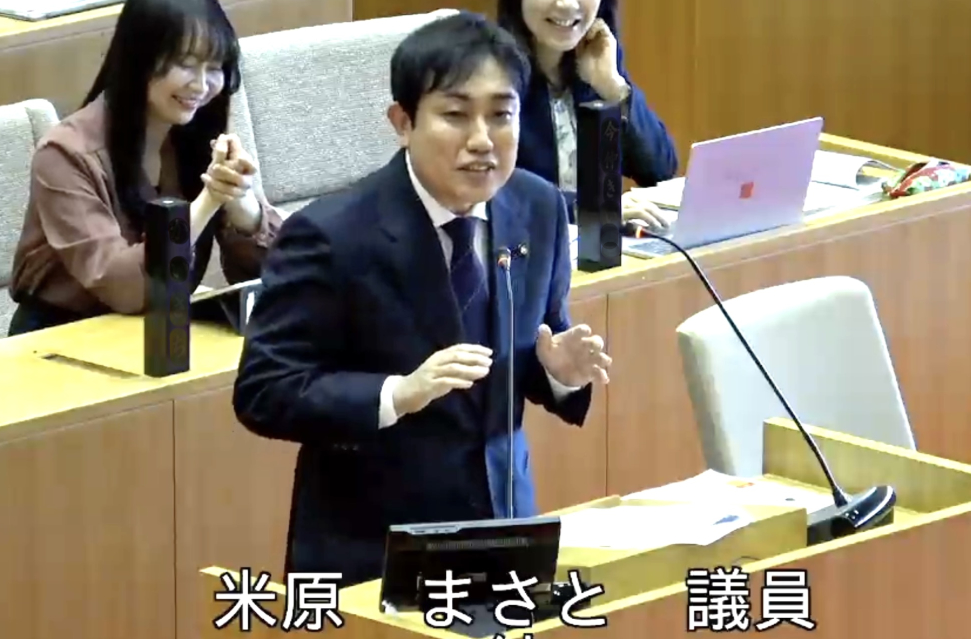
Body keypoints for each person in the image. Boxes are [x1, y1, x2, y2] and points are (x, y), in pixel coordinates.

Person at [233, 11, 611, 586]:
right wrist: (397, 393)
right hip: (374, 550)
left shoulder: (537, 208)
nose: (481, 140)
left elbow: (531, 346)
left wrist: (558, 374)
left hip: (506, 529)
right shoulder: (331, 234)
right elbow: (265, 390)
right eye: (455, 115)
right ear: (403, 122)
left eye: (501, 115)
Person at [7, 0, 283, 337]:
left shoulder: (196, 134)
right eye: (185, 64)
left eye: (214, 67)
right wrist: (207, 200)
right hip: (61, 338)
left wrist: (243, 207)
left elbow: (285, 273)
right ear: (139, 59)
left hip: (160, 328)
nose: (201, 86)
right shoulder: (64, 153)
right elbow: (125, 288)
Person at [497, 0, 678, 231]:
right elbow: (494, 190)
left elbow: (660, 170)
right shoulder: (493, 71)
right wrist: (585, 209)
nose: (566, 4)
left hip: (598, 246)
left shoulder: (597, 58)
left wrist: (614, 89)